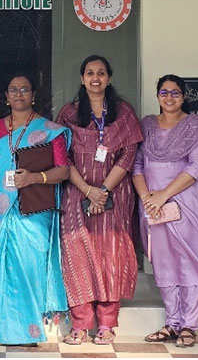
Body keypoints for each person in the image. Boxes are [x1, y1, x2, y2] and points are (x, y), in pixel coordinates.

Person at [0, 74, 70, 345]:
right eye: (13, 90)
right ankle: (5, 327)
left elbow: (63, 170)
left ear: (33, 95)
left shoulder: (51, 129)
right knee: (2, 268)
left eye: (24, 90)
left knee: (28, 268)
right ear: (6, 96)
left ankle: (28, 331)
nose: (18, 94)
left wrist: (35, 178)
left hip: (34, 211)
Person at [56, 55, 142, 345]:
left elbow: (129, 153)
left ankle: (106, 323)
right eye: (90, 73)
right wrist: (88, 190)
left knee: (111, 256)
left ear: (109, 78)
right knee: (76, 255)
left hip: (115, 196)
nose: (96, 78)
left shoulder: (124, 113)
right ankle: (80, 323)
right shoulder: (68, 114)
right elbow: (61, 157)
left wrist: (102, 190)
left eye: (101, 73)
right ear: (82, 78)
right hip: (76, 194)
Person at [133, 75, 198, 348]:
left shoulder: (196, 125)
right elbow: (137, 167)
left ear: (184, 96)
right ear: (157, 96)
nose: (169, 97)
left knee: (189, 260)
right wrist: (147, 198)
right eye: (164, 92)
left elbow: (197, 166)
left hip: (185, 202)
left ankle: (190, 325)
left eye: (175, 93)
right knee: (163, 263)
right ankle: (172, 322)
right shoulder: (146, 125)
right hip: (152, 206)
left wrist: (163, 196)